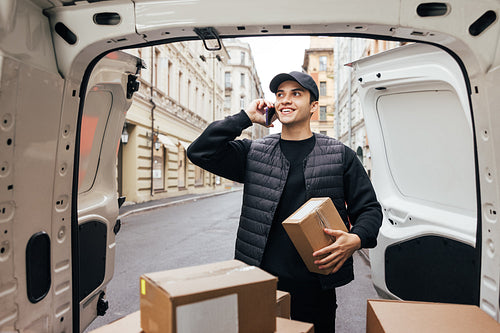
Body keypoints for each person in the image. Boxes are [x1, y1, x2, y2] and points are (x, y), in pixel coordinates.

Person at [187, 71, 382, 332]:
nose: (285, 100)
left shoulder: (340, 155)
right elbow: (200, 151)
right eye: (280, 94)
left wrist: (356, 239)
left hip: (316, 285)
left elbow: (369, 209)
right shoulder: (254, 153)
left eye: (296, 94)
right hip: (261, 281)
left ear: (314, 106)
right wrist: (245, 118)